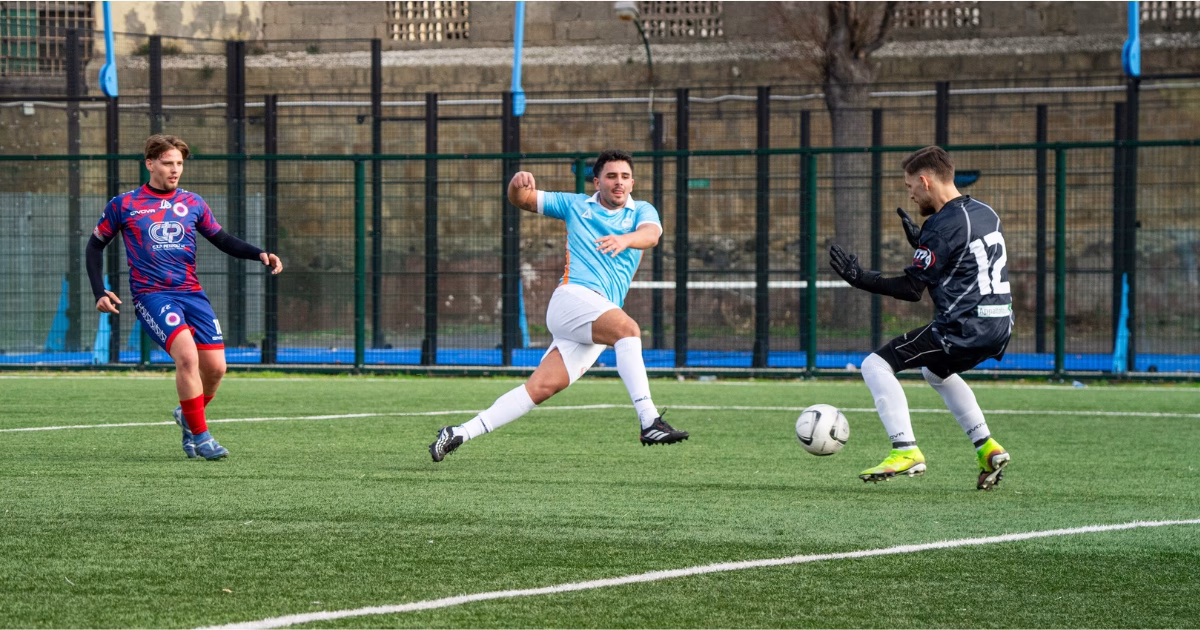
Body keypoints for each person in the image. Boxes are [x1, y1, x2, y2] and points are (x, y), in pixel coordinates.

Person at [429, 149, 688, 462]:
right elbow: (522, 199)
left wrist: (625, 239)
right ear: (597, 182)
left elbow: (652, 235)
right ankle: (649, 421)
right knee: (628, 330)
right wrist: (516, 183)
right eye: (610, 176)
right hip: (572, 298)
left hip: (595, 315)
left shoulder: (642, 211)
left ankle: (459, 432)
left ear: (632, 182)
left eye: (624, 177)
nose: (618, 182)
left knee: (539, 389)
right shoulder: (576, 205)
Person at [86, 134, 283, 460]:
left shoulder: (193, 203)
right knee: (188, 358)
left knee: (217, 368)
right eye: (167, 162)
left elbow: (222, 239)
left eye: (179, 163)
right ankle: (202, 437)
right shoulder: (124, 205)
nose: (175, 169)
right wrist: (98, 290)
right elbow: (95, 246)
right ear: (150, 164)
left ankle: (187, 415)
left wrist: (260, 254)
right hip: (152, 295)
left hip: (191, 294)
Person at [827, 145, 1013, 490]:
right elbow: (963, 262)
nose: (909, 194)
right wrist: (925, 243)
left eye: (910, 185)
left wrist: (859, 278)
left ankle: (905, 449)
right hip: (999, 324)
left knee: (875, 365)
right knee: (936, 371)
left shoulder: (942, 226)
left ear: (926, 182)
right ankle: (987, 447)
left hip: (963, 327)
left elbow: (913, 288)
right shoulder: (986, 212)